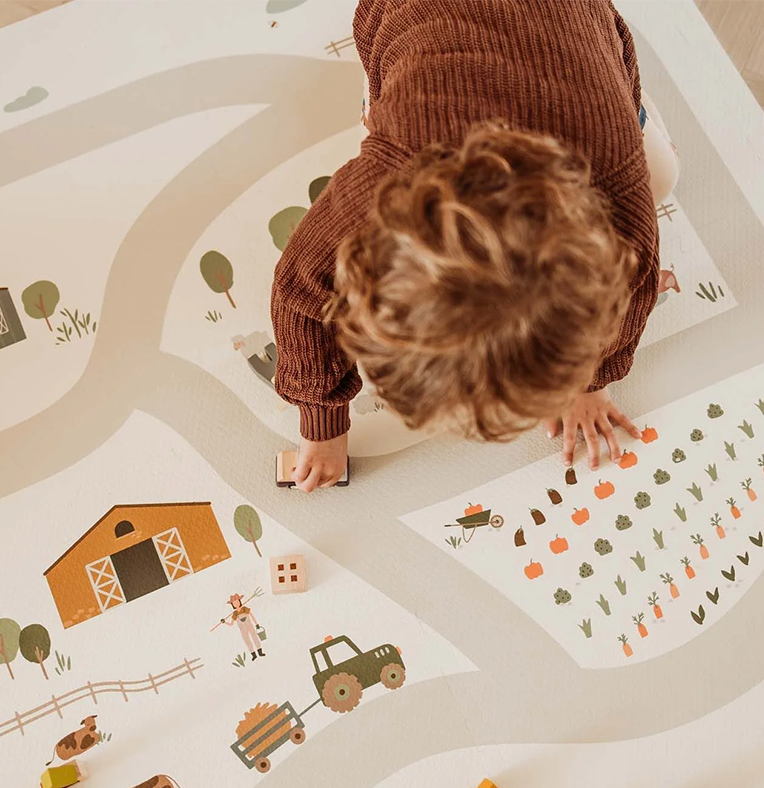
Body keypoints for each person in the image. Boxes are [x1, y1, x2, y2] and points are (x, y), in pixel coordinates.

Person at [271, 0, 680, 493]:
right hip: (433, 32)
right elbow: (300, 293)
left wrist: (591, 382)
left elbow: (633, 293)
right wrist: (322, 423)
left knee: (662, 174)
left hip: (576, 53)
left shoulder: (620, 202)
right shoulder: (391, 171)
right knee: (657, 174)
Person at [223, 593, 266, 661]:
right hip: (243, 630)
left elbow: (251, 615)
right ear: (232, 605)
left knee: (254, 637)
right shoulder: (235, 614)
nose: (236, 603)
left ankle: (260, 652)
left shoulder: (244, 609)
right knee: (247, 641)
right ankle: (253, 654)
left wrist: (256, 624)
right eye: (234, 603)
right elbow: (231, 624)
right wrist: (224, 622)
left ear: (239, 601)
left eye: (237, 601)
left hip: (250, 626)